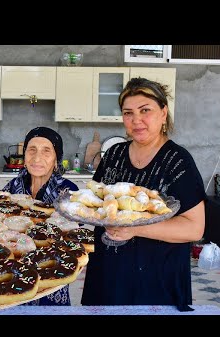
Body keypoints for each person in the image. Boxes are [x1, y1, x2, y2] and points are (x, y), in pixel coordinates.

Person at [80, 77, 206, 312]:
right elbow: (96, 201)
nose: (136, 120)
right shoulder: (114, 154)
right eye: (128, 113)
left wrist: (134, 228)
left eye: (145, 110)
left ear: (163, 112)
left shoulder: (178, 162)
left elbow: (194, 228)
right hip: (107, 275)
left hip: (156, 280)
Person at [2, 126, 79, 305]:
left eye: (46, 151)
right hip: (15, 272)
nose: (37, 158)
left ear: (56, 159)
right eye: (32, 150)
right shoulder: (12, 187)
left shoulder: (68, 191)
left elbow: (72, 237)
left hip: (51, 272)